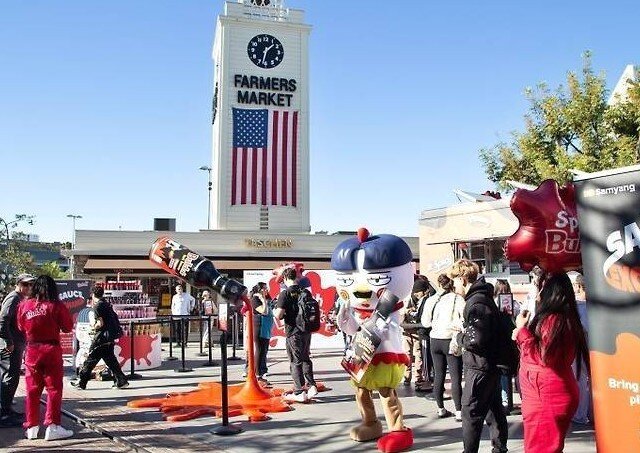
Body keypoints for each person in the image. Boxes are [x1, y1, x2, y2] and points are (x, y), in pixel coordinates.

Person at [513, 272, 589, 452]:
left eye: (541, 289)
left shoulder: (553, 320)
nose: (538, 295)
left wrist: (521, 331)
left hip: (545, 394)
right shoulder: (565, 318)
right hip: (549, 391)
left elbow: (542, 357)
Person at [451, 259, 508, 453]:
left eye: (455, 280)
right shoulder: (481, 298)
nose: (453, 284)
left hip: (480, 366)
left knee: (471, 412)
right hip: (487, 365)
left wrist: (460, 336)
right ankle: (500, 448)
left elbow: (476, 340)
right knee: (493, 409)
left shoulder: (476, 303)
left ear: (463, 278)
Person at [17, 275, 74, 441]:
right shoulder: (56, 305)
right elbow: (67, 327)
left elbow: (20, 326)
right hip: (51, 350)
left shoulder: (24, 305)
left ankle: (32, 427)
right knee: (54, 389)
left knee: (32, 390)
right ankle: (52, 426)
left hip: (32, 350)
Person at [421, 274, 465, 420]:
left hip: (435, 339)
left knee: (439, 375)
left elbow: (425, 322)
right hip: (450, 339)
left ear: (439, 285)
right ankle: (459, 410)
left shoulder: (431, 300)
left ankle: (440, 408)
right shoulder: (457, 299)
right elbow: (464, 319)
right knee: (455, 376)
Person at [71, 286, 129, 390]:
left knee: (90, 359)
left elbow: (100, 323)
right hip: (109, 337)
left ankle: (81, 382)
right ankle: (121, 380)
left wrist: (93, 326)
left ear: (93, 295)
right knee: (111, 360)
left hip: (101, 338)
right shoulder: (107, 304)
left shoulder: (97, 306)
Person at [274, 267, 317, 402]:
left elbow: (279, 314)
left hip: (293, 331)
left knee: (295, 361)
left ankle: (299, 392)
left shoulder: (285, 294)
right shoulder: (305, 292)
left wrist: (273, 308)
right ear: (296, 277)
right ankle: (311, 386)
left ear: (285, 278)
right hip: (306, 330)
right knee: (305, 358)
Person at [0, 273, 34, 428]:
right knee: (9, 376)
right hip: (11, 343)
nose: (28, 287)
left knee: (12, 376)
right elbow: (3, 319)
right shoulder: (13, 298)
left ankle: (7, 409)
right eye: (25, 284)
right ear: (18, 283)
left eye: (30, 285)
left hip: (16, 342)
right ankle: (4, 413)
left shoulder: (19, 298)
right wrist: (8, 341)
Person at [570, 272, 592, 425]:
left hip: (580, 348)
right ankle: (592, 412)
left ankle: (581, 413)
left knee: (581, 380)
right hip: (596, 348)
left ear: (578, 287)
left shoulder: (575, 308)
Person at [400, 279, 428, 391]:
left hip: (413, 331)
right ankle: (408, 377)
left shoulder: (419, 300)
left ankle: (417, 377)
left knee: (417, 355)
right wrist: (407, 311)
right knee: (409, 355)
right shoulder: (408, 299)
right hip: (408, 331)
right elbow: (401, 314)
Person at [494, 279, 516, 414]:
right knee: (504, 373)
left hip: (503, 340)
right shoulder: (511, 303)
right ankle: (506, 402)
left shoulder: (494, 303)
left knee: (504, 373)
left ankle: (505, 402)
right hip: (508, 339)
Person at [251, 282, 274, 381]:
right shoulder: (255, 299)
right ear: (259, 290)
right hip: (259, 326)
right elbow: (263, 311)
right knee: (259, 350)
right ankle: (257, 374)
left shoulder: (267, 298)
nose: (266, 290)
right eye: (264, 288)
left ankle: (262, 371)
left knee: (264, 350)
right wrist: (262, 299)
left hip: (267, 327)